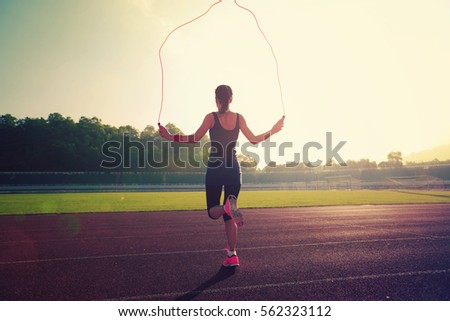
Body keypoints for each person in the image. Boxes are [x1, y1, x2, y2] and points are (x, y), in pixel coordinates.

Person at [159, 84, 284, 267]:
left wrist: (170, 137)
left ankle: (226, 208)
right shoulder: (239, 118)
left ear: (216, 100)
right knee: (229, 216)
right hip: (233, 168)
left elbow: (194, 138)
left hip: (215, 168)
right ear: (231, 99)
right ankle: (232, 255)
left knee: (213, 212)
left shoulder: (211, 117)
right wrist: (273, 129)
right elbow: (254, 139)